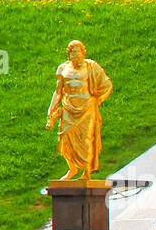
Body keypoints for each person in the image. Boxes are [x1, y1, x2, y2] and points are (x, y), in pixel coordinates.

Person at [45, 40, 113, 181]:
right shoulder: (62, 69)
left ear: (83, 53)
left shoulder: (91, 67)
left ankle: (86, 173)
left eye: (77, 52)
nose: (75, 55)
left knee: (86, 140)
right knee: (65, 139)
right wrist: (51, 110)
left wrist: (98, 100)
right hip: (69, 109)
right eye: (72, 53)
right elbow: (58, 92)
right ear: (69, 55)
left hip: (87, 108)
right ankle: (72, 169)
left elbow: (107, 85)